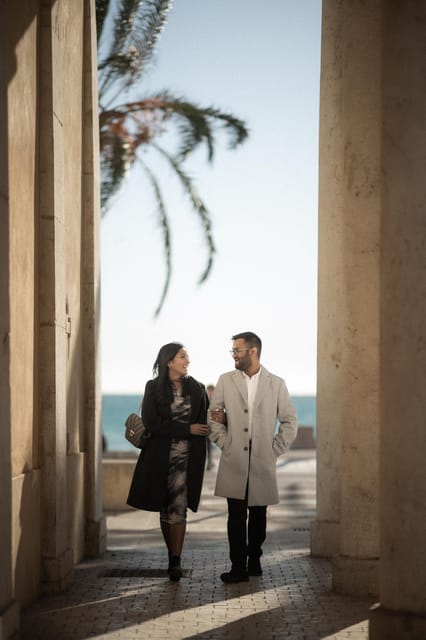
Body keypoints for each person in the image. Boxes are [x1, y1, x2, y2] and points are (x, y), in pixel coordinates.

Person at [208, 331, 298, 583]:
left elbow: (289, 422)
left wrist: (274, 450)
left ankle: (254, 560)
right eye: (233, 351)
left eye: (237, 350)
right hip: (234, 459)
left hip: (261, 460)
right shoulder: (225, 380)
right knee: (235, 516)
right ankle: (238, 567)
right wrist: (225, 444)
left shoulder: (276, 383)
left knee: (258, 515)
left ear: (253, 351)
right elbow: (213, 416)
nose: (233, 355)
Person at [127, 342, 209, 581]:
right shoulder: (153, 388)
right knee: (165, 509)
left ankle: (176, 560)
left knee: (180, 509)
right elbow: (152, 423)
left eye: (187, 356)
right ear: (169, 361)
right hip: (159, 459)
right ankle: (171, 555)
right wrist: (187, 428)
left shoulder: (198, 388)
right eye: (183, 356)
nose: (188, 360)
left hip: (188, 460)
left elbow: (202, 426)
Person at [205, 384, 215, 470]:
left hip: (211, 427)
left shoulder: (215, 401)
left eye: (210, 391)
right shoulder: (205, 399)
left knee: (209, 446)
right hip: (205, 426)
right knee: (207, 446)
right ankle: (209, 463)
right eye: (208, 391)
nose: (209, 392)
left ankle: (210, 463)